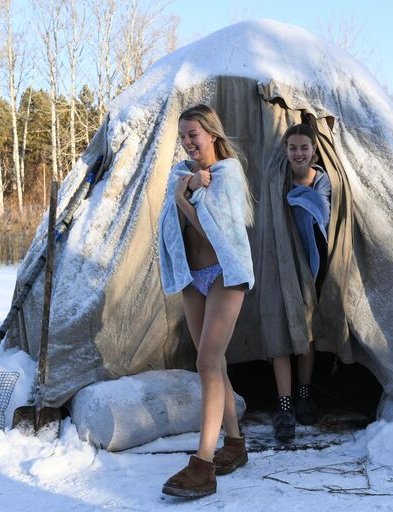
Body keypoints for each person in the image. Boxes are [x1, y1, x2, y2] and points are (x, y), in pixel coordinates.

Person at [157, 104, 255, 498]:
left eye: (193, 134)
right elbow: (167, 222)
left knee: (207, 363)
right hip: (193, 277)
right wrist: (183, 192)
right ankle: (234, 443)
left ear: (212, 134)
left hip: (224, 275)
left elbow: (217, 233)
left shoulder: (227, 174)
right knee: (214, 363)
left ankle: (203, 464)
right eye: (182, 136)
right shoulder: (181, 174)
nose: (187, 142)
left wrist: (186, 198)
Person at [271, 124, 331, 442]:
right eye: (292, 147)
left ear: (314, 150)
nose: (298, 153)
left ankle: (304, 392)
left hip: (311, 265)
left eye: (304, 147)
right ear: (285, 150)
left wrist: (295, 197)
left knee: (306, 333)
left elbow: (321, 210)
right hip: (280, 264)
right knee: (281, 330)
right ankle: (285, 405)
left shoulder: (321, 181)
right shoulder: (275, 180)